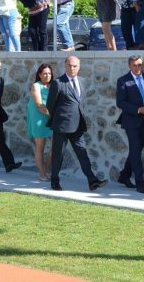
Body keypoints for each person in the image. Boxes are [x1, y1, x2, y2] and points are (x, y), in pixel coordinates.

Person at [46, 56, 108, 191]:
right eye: (69, 65)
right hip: (62, 125)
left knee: (82, 153)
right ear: (65, 66)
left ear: (79, 67)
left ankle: (92, 181)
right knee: (58, 155)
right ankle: (54, 181)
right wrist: (60, 118)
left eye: (75, 66)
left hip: (77, 125)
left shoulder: (82, 82)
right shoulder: (58, 83)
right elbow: (50, 105)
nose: (72, 68)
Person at [116, 55, 144, 194]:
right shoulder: (123, 81)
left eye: (139, 65)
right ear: (129, 66)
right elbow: (120, 102)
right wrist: (139, 110)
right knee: (135, 151)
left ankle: (124, 176)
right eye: (134, 65)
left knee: (136, 151)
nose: (137, 68)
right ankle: (140, 182)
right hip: (131, 122)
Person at [27, 63, 54, 181]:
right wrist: (52, 115)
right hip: (39, 118)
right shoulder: (36, 86)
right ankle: (42, 173)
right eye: (44, 73)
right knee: (40, 146)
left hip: (51, 118)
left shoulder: (53, 85)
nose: (47, 75)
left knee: (56, 146)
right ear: (39, 75)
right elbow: (39, 104)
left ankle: (45, 168)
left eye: (49, 73)